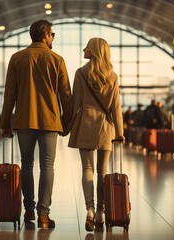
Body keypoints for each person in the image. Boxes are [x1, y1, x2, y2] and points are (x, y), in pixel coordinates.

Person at [0, 19, 72, 228]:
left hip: (24, 120)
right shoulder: (57, 59)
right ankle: (43, 213)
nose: (52, 38)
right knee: (47, 166)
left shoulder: (17, 58)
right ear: (45, 34)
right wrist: (66, 122)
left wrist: (5, 123)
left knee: (27, 164)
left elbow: (9, 95)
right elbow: (66, 95)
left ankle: (29, 210)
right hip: (50, 121)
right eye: (52, 34)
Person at [67, 38, 124, 232]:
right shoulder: (113, 77)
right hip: (105, 127)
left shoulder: (80, 74)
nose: (84, 49)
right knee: (103, 171)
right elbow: (116, 107)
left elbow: (75, 104)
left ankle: (89, 210)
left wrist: (67, 125)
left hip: (85, 123)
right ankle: (101, 212)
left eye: (87, 47)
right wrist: (120, 132)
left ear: (94, 51)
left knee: (87, 170)